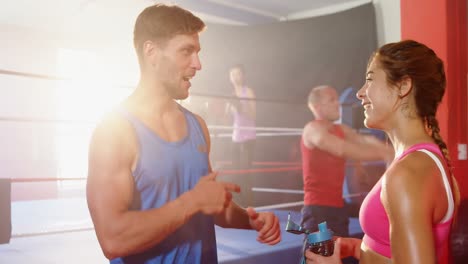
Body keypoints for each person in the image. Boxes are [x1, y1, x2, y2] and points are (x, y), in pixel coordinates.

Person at [86, 4, 281, 264]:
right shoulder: (115, 131)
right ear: (152, 52)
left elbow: (209, 207)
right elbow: (113, 239)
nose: (198, 64)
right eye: (186, 52)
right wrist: (192, 202)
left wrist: (251, 220)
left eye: (197, 52)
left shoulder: (196, 126)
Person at [305, 39, 461, 264]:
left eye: (369, 80)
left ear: (403, 87)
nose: (360, 93)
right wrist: (361, 248)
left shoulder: (407, 174)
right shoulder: (422, 162)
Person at [301, 85, 393, 238]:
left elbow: (364, 139)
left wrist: (392, 150)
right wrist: (385, 154)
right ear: (318, 107)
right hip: (318, 209)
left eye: (337, 99)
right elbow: (340, 149)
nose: (338, 103)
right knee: (318, 259)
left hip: (338, 208)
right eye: (332, 100)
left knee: (339, 257)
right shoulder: (312, 129)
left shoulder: (340, 129)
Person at [226, 64, 257, 206]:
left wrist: (240, 106)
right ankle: (238, 206)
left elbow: (253, 115)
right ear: (230, 77)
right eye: (233, 74)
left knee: (245, 174)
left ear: (242, 76)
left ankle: (249, 207)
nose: (235, 77)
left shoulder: (248, 92)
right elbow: (227, 118)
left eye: (238, 74)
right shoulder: (231, 94)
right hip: (235, 137)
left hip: (248, 137)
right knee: (235, 173)